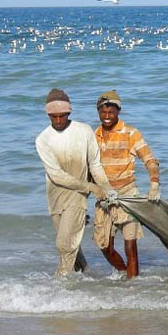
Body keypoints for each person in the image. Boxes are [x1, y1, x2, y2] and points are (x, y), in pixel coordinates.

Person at [35, 88, 117, 277]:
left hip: (77, 195)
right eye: (53, 117)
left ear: (69, 113)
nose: (58, 121)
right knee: (70, 243)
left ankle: (60, 283)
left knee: (65, 243)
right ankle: (86, 274)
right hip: (55, 195)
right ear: (48, 114)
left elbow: (95, 165)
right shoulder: (43, 139)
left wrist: (106, 187)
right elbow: (56, 176)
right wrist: (91, 187)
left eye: (62, 116)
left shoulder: (84, 131)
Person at [92, 90, 161, 279]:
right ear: (98, 111)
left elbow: (150, 160)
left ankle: (133, 284)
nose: (107, 117)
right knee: (105, 247)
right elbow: (88, 170)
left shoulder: (131, 133)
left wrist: (154, 184)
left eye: (111, 112)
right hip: (105, 198)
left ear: (118, 111)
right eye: (103, 112)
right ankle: (124, 274)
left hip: (128, 195)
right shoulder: (93, 136)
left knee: (131, 245)